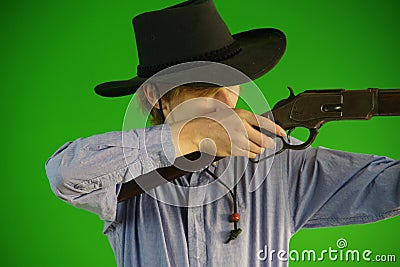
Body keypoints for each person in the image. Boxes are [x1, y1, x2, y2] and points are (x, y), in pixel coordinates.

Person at [45, 0, 399, 266]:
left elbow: (389, 186)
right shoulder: (126, 173)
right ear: (157, 97)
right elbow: (65, 174)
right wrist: (189, 137)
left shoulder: (283, 163)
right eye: (202, 84)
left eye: (233, 79)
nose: (225, 97)